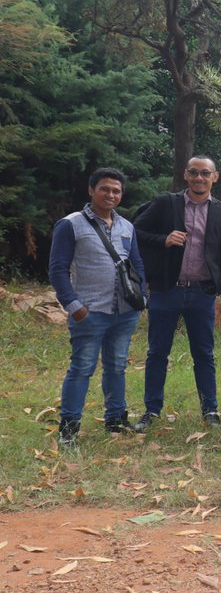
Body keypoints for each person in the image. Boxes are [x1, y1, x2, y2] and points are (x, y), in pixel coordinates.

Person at [132, 155, 221, 431]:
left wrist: (219, 283)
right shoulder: (167, 203)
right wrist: (163, 239)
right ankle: (151, 411)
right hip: (167, 290)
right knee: (157, 352)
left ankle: (209, 409)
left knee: (204, 353)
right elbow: (135, 230)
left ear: (215, 177)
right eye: (194, 173)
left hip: (202, 293)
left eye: (205, 173)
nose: (199, 178)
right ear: (185, 175)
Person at [50, 167, 147, 446]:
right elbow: (58, 269)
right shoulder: (71, 224)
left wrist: (142, 298)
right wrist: (73, 305)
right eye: (105, 188)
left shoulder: (127, 226)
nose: (111, 194)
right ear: (91, 190)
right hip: (90, 312)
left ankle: (116, 419)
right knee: (82, 368)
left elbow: (137, 264)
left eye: (116, 191)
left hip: (125, 312)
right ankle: (69, 429)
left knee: (116, 366)